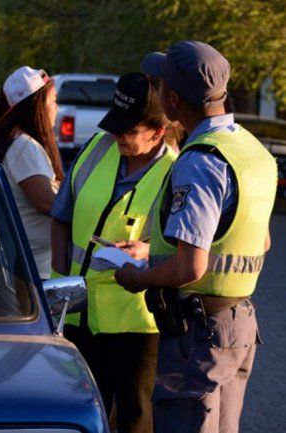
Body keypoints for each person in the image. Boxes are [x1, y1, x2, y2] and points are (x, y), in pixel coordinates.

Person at [114, 41, 277, 433]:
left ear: (171, 99)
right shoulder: (249, 149)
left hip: (199, 334)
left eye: (157, 84)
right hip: (239, 324)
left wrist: (139, 278)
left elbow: (190, 265)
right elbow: (263, 241)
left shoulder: (200, 160)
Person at [50, 72, 178, 433]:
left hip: (135, 324)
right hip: (77, 315)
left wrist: (147, 249)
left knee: (135, 417)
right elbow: (61, 217)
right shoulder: (96, 148)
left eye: (129, 130)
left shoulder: (176, 172)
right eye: (115, 126)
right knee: (78, 415)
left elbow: (189, 244)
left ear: (158, 132)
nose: (118, 136)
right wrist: (62, 284)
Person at [0, 66, 63, 279]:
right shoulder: (24, 146)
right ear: (38, 105)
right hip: (31, 270)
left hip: (16, 262)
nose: (57, 108)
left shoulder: (4, 138)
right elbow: (46, 202)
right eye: (53, 101)